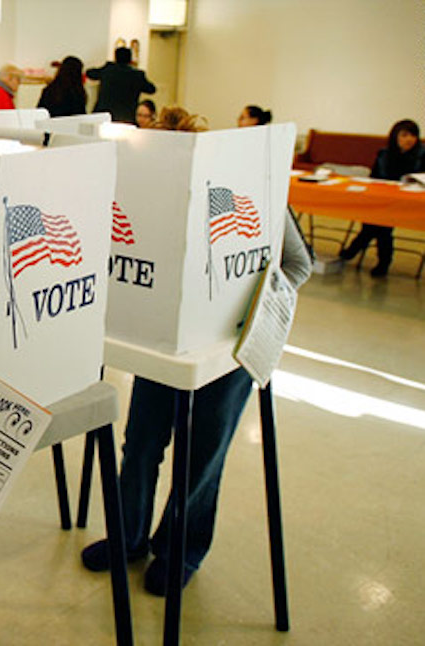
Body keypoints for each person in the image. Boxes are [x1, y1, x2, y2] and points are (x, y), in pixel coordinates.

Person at [80, 111, 313, 596]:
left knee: (202, 456)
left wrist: (247, 312)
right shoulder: (149, 197)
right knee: (141, 443)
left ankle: (180, 550)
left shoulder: (253, 187)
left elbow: (298, 263)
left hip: (225, 353)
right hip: (164, 342)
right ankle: (129, 538)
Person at [339, 119, 424, 277]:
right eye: (404, 135)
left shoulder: (421, 156)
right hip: (381, 199)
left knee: (380, 226)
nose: (409, 139)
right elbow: (374, 178)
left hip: (407, 202)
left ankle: (356, 250)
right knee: (377, 224)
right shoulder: (384, 154)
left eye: (413, 135)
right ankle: (377, 258)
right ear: (395, 136)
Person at [86, 46, 156, 123]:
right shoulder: (137, 75)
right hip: (127, 117)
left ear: (115, 57)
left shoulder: (108, 70)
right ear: (130, 59)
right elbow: (152, 89)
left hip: (104, 115)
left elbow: (90, 73)